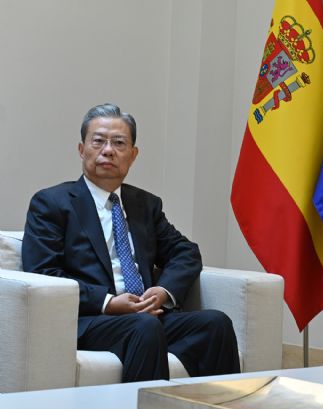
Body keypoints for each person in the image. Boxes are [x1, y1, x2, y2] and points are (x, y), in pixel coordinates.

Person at [22, 103, 240, 382]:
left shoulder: (145, 205)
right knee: (145, 327)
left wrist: (162, 291)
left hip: (146, 315)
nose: (108, 150)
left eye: (119, 143)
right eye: (98, 141)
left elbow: (185, 252)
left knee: (215, 324)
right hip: (89, 319)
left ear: (133, 155)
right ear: (81, 149)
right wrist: (109, 302)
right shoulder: (52, 203)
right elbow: (42, 272)